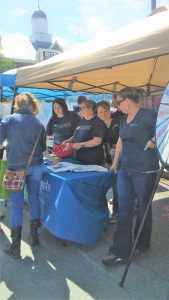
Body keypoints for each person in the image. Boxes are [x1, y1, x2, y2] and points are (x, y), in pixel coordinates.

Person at [102, 87, 159, 265]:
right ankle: (120, 250)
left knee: (143, 208)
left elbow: (165, 128)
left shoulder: (149, 115)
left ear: (127, 101)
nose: (117, 106)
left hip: (145, 170)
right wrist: (115, 162)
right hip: (125, 170)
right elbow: (120, 141)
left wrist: (154, 140)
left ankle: (142, 244)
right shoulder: (123, 119)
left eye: (119, 102)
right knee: (124, 209)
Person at [0, 93, 54, 259]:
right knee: (34, 198)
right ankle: (34, 237)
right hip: (36, 167)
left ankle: (15, 247)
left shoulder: (8, 120)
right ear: (32, 105)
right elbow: (44, 150)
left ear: (17, 104)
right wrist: (54, 162)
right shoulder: (38, 123)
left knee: (16, 204)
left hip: (16, 167)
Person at [96, 101, 120, 223]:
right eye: (100, 112)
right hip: (110, 159)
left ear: (109, 110)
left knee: (117, 188)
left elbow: (124, 138)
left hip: (123, 157)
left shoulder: (118, 121)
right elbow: (103, 142)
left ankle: (116, 213)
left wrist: (117, 149)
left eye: (104, 111)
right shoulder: (99, 125)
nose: (103, 114)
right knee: (114, 185)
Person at [64, 99, 105, 165]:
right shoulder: (81, 121)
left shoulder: (97, 122)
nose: (80, 110)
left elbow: (97, 141)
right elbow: (75, 135)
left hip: (92, 161)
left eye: (82, 108)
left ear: (90, 109)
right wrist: (68, 140)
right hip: (78, 159)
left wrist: (81, 144)